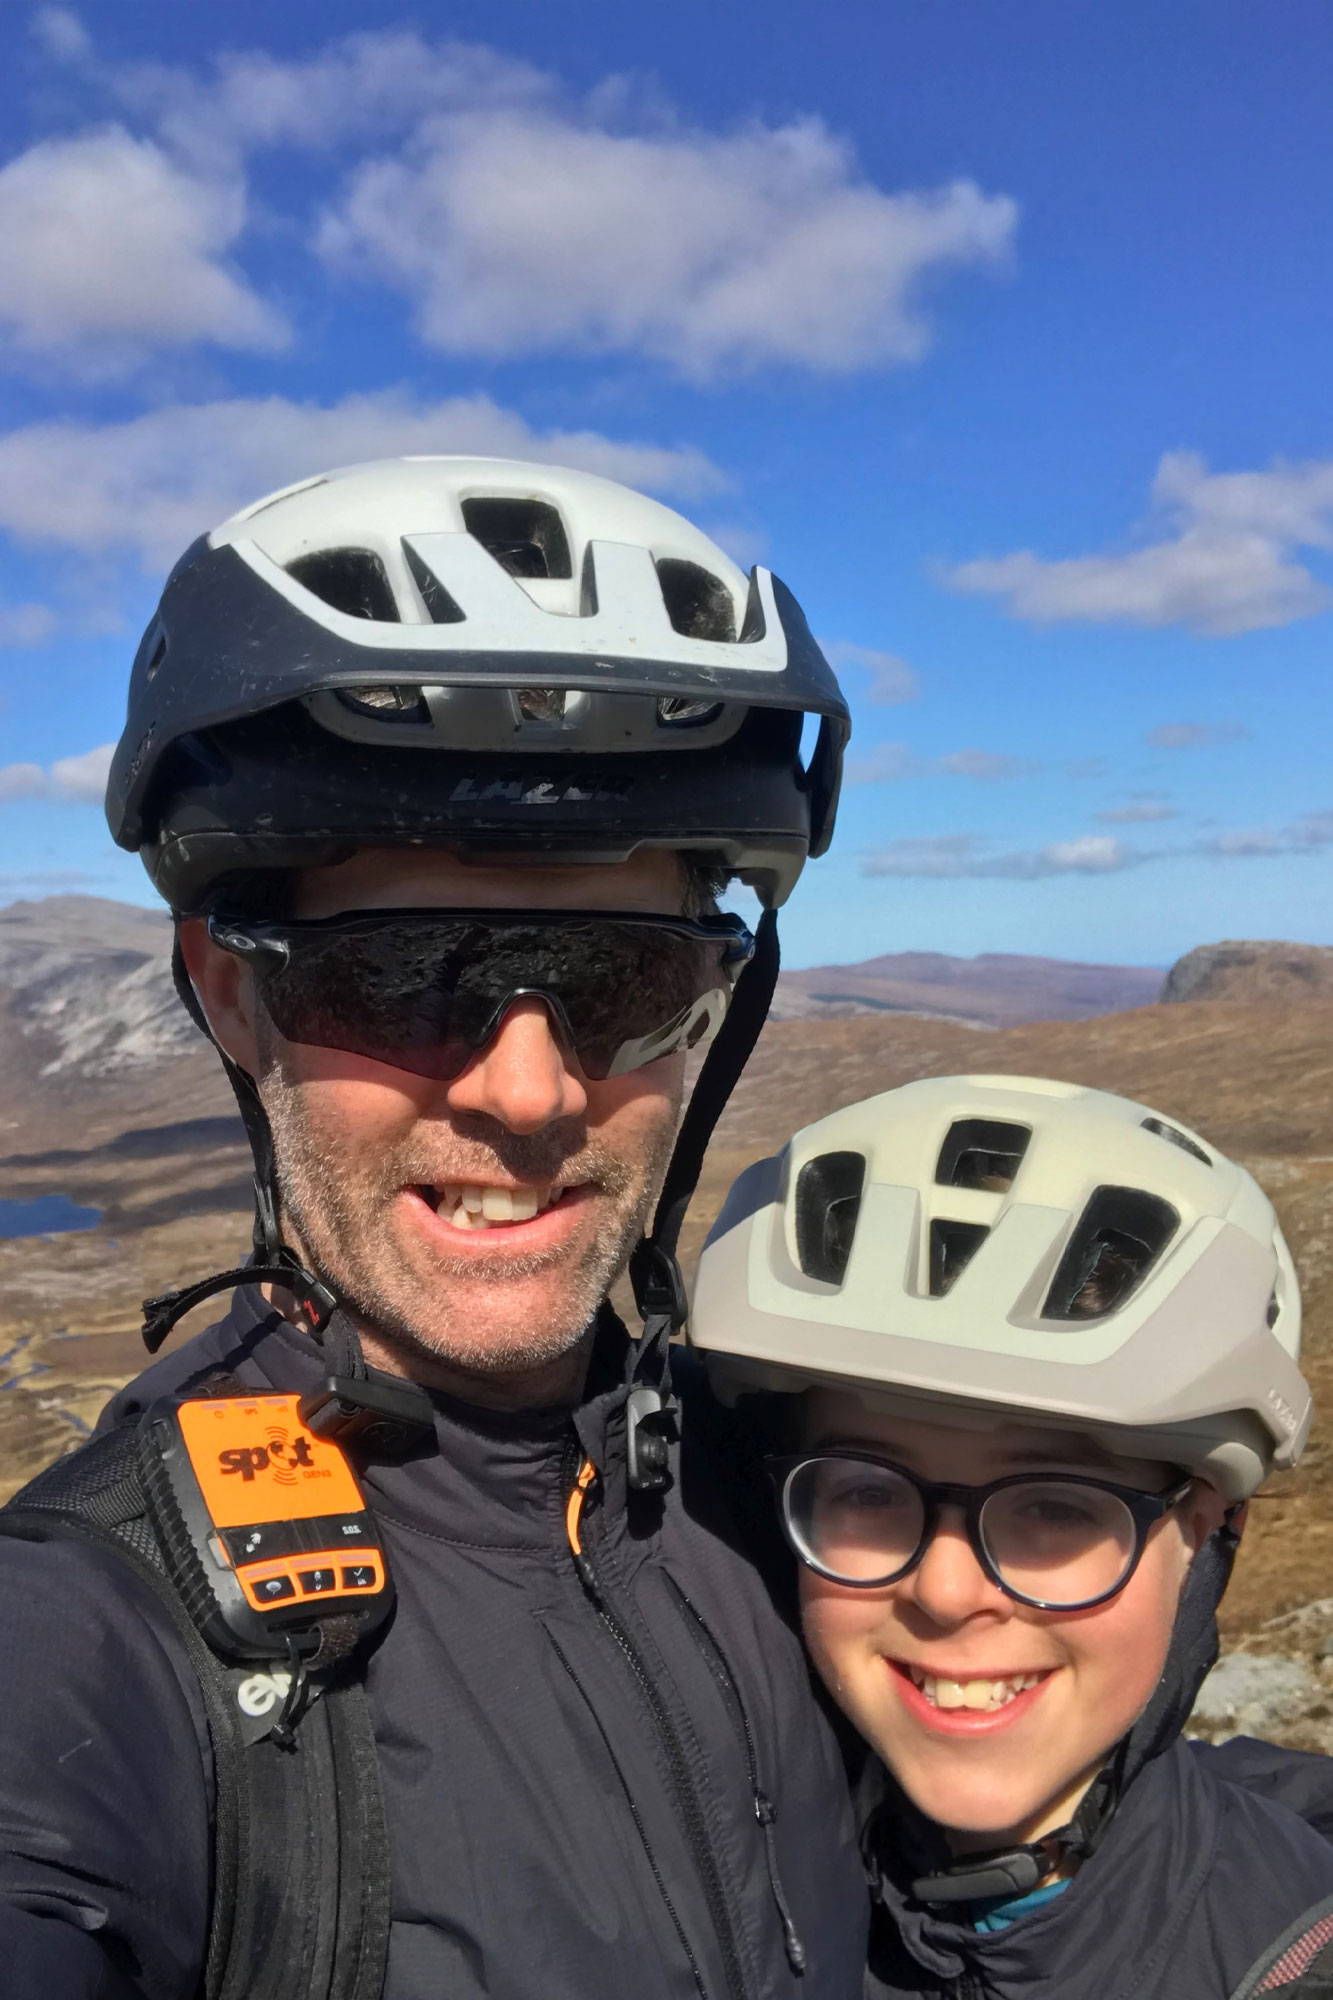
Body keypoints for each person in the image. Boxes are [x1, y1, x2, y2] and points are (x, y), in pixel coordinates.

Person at [0, 457, 868, 1998]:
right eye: (400, 975)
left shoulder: (785, 1489)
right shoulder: (88, 1635)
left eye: (620, 984)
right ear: (228, 991)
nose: (527, 1094)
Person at [689, 1074, 1333, 1998]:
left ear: (1203, 1530)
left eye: (1056, 1508)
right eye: (869, 1493)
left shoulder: (1289, 1952)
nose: (946, 1592)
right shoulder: (740, 1915)